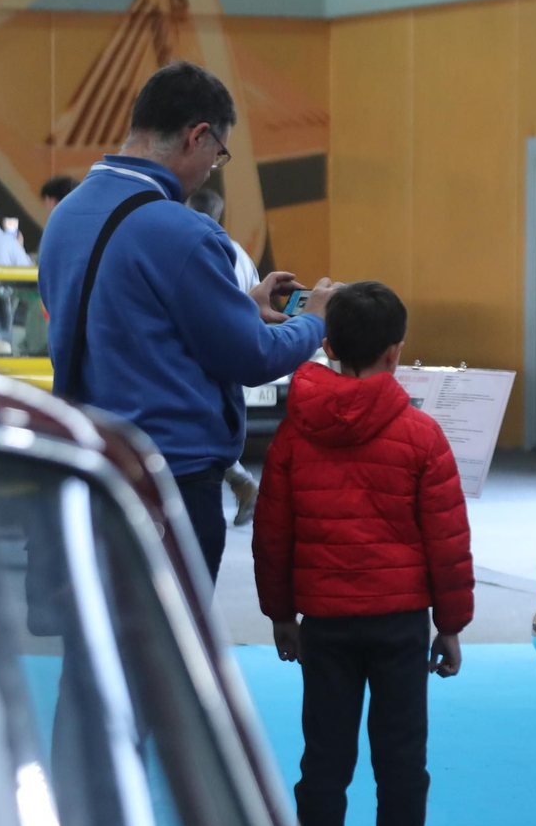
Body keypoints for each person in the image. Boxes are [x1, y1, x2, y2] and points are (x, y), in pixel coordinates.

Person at [40, 60, 333, 581]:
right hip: (169, 479)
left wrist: (241, 305)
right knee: (164, 653)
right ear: (198, 137)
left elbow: (135, 321)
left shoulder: (67, 215)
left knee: (95, 650)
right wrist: (314, 320)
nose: (210, 171)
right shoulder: (179, 230)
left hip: (92, 468)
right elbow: (254, 357)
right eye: (218, 156)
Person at [252, 280, 474, 826]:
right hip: (399, 626)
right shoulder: (422, 435)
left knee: (323, 762)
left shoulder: (295, 433)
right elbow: (447, 542)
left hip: (324, 624)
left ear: (326, 346)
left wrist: (280, 614)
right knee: (402, 761)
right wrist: (450, 625)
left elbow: (272, 532)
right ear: (395, 351)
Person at [186, 187, 262, 526]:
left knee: (199, 442)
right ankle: (241, 483)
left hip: (204, 362)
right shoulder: (241, 255)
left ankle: (240, 485)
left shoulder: (193, 251)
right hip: (234, 361)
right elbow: (258, 311)